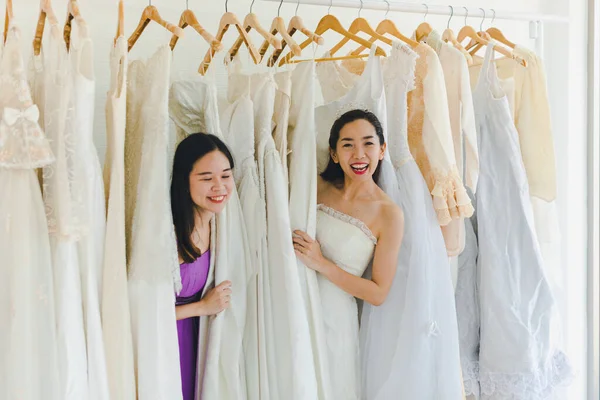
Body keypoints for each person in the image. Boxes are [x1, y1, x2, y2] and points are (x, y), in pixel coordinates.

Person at [292, 109, 404, 399]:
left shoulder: (388, 213)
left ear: (382, 150)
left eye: (368, 143)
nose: (359, 154)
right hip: (294, 298)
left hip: (334, 317)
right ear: (333, 153)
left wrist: (321, 264)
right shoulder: (316, 186)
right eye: (347, 144)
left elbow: (378, 293)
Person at [170, 133, 235, 400]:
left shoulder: (217, 224)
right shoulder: (174, 236)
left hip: (200, 337)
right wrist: (203, 307)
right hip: (172, 341)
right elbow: (142, 310)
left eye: (226, 176)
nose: (219, 186)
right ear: (185, 182)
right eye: (207, 178)